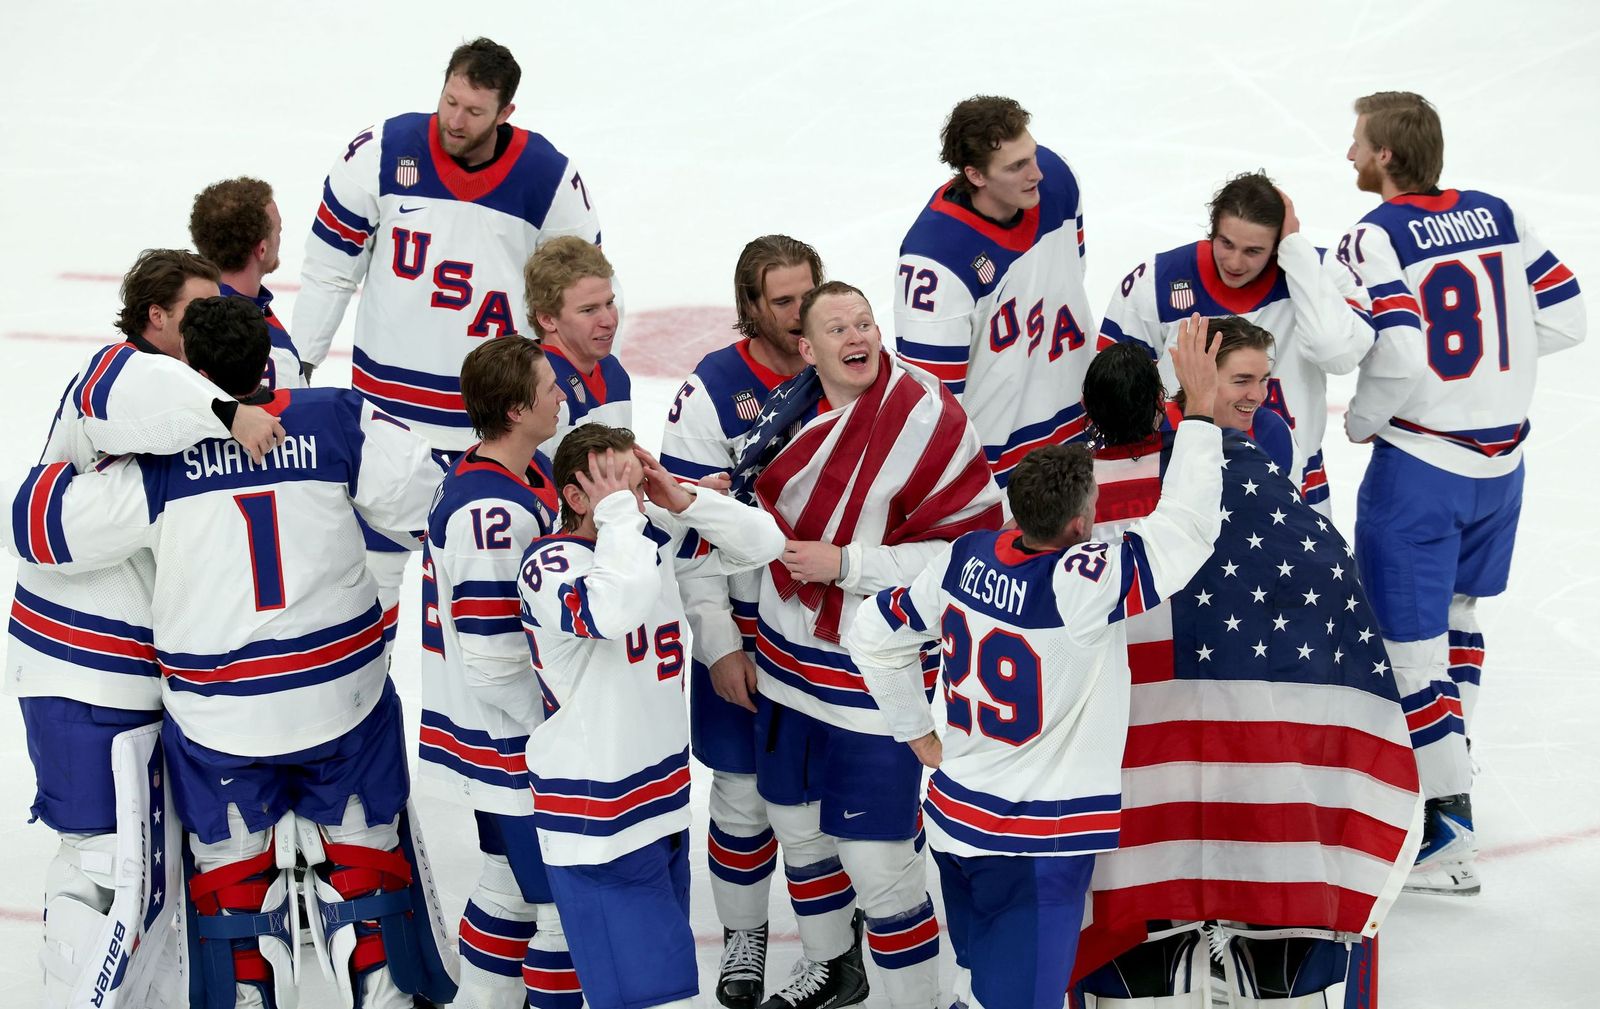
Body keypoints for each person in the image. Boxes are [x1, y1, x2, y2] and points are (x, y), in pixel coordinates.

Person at [4, 296, 451, 1009]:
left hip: (220, 715)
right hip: (340, 695)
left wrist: (58, 470)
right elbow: (425, 498)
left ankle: (246, 967)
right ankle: (376, 958)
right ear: (266, 359)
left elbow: (39, 530)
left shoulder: (159, 463)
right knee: (363, 840)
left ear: (195, 371)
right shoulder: (336, 417)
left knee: (231, 865)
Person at [843, 318, 1226, 1009]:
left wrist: (916, 733)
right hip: (1033, 844)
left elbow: (871, 631)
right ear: (1081, 524)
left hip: (956, 820)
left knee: (981, 985)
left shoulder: (964, 559)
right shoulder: (1082, 583)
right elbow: (1188, 529)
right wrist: (1197, 414)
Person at [1068, 337, 1421, 1009]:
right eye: (1241, 380)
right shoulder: (1236, 462)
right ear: (1164, 397)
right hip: (1240, 742)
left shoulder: (1058, 487)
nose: (1254, 395)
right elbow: (1323, 569)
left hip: (1123, 766)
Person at [5, 250, 284, 1008]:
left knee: (155, 880)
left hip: (148, 679)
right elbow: (34, 520)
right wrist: (228, 413)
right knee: (101, 867)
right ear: (154, 318)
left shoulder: (190, 427)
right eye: (193, 312)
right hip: (75, 672)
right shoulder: (116, 375)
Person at [1338, 91, 1585, 894]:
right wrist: (1492, 373)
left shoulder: (1376, 234)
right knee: (1459, 618)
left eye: (1358, 142)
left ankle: (1447, 827)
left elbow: (1402, 356)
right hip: (1502, 469)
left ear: (1385, 156)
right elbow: (1568, 317)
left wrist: (1364, 419)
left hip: (1421, 472)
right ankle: (1452, 762)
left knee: (1410, 653)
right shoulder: (1499, 213)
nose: (1348, 154)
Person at [733, 282, 1004, 1009]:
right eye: (838, 328)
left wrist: (848, 564)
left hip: (873, 678)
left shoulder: (928, 417)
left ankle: (918, 1002)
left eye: (865, 322)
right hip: (786, 665)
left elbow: (964, 554)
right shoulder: (781, 417)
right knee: (798, 831)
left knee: (881, 864)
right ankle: (832, 967)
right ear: (806, 348)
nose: (858, 337)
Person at [516, 424, 786, 1009]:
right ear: (575, 496)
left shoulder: (646, 537)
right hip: (599, 820)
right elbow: (613, 609)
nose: (633, 498)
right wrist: (622, 514)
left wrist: (684, 500)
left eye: (635, 482)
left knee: (658, 992)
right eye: (614, 484)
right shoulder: (551, 563)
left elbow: (764, 543)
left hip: (658, 806)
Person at [659, 234, 824, 1009]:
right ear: (749, 306)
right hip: (750, 633)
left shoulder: (846, 367)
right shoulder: (712, 392)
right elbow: (689, 531)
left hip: (829, 629)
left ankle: (832, 945)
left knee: (827, 798)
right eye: (782, 300)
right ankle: (744, 935)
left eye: (807, 296)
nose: (798, 313)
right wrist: (721, 645)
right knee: (742, 796)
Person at [292, 36, 601, 443]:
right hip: (383, 414)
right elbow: (329, 271)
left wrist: (576, 400)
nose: (455, 121)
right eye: (450, 101)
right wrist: (301, 367)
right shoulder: (380, 152)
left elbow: (587, 298)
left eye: (474, 112)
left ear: (504, 112)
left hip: (498, 420)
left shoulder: (550, 179)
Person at [415, 336, 581, 1009]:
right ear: (516, 410)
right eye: (549, 387)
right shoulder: (494, 513)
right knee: (563, 909)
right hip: (511, 739)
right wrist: (556, 733)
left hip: (489, 735)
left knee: (506, 884)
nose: (562, 395)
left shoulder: (508, 472)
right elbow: (491, 657)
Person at [1096, 172, 1372, 513]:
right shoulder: (1156, 281)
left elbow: (1337, 353)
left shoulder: (1315, 271)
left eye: (1254, 251)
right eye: (1226, 243)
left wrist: (1296, 252)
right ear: (1212, 230)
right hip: (1180, 489)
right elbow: (1112, 392)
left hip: (1290, 483)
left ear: (1277, 245)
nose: (1235, 262)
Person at [893, 95, 1096, 489]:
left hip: (1076, 431)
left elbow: (1076, 272)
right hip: (997, 473)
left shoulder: (1059, 180)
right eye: (1016, 166)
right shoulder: (935, 257)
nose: (1036, 173)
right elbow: (933, 403)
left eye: (1032, 155)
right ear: (976, 175)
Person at [189, 176, 306, 389]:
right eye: (278, 231)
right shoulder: (272, 353)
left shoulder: (183, 307)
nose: (280, 237)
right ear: (261, 250)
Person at [524, 236, 629, 457]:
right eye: (589, 310)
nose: (609, 321)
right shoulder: (536, 388)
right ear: (547, 319)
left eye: (609, 303)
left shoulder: (613, 371)